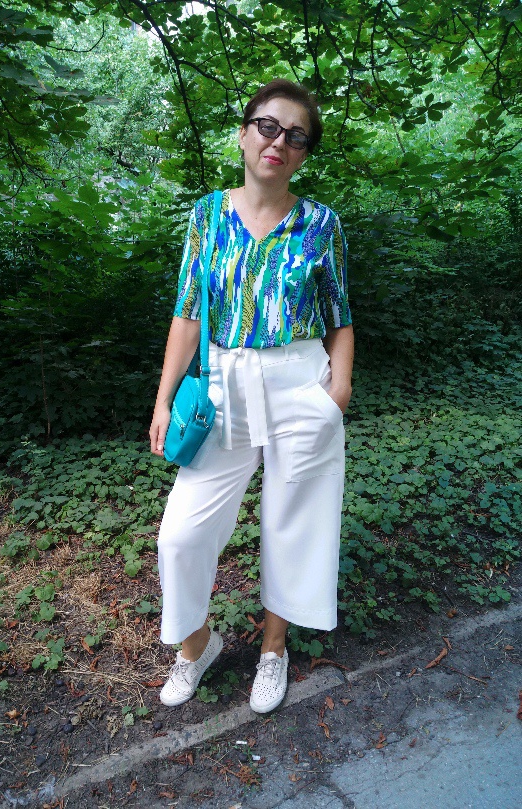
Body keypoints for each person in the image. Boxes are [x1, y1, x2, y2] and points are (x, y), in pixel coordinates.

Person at [149, 79, 354, 714]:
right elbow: (188, 312)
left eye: (296, 136)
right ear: (243, 134)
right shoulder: (207, 215)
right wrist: (163, 399)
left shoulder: (321, 223)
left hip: (301, 384)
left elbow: (340, 315)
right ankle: (196, 646)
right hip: (223, 388)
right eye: (267, 126)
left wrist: (338, 391)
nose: (278, 142)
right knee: (180, 535)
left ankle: (273, 648)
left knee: (294, 524)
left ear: (303, 154)